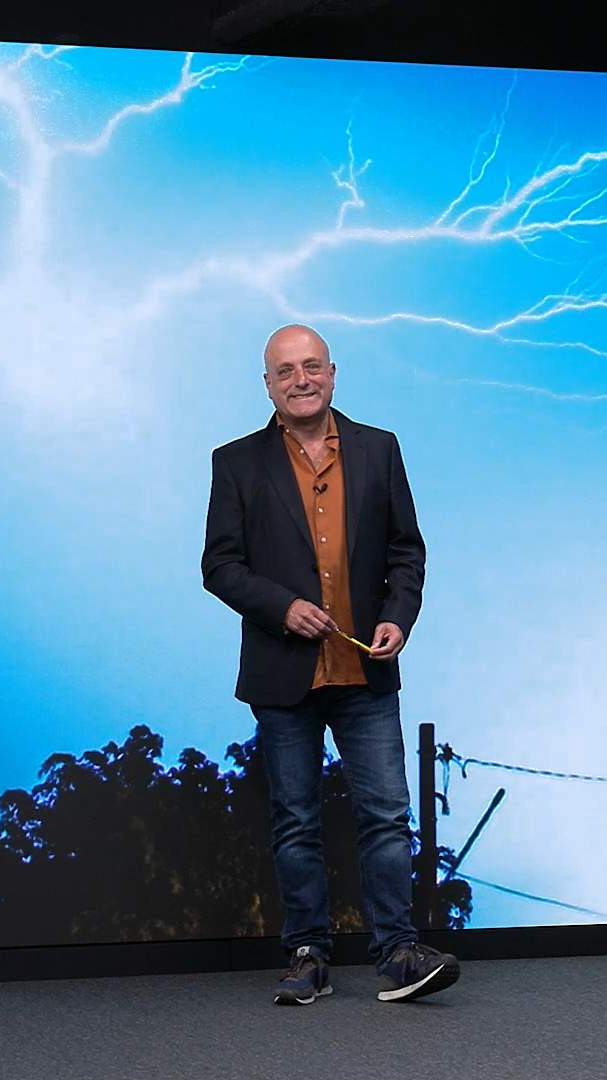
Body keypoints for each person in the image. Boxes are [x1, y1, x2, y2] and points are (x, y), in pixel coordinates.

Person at [201, 323, 461, 1006]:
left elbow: (407, 550)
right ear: (268, 384)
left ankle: (397, 954)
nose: (300, 379)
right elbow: (219, 566)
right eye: (285, 370)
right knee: (295, 819)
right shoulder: (235, 463)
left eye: (311, 366)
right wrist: (281, 607)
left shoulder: (380, 449)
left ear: (333, 373)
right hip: (284, 673)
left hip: (364, 671)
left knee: (385, 814)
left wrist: (397, 618)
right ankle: (308, 954)